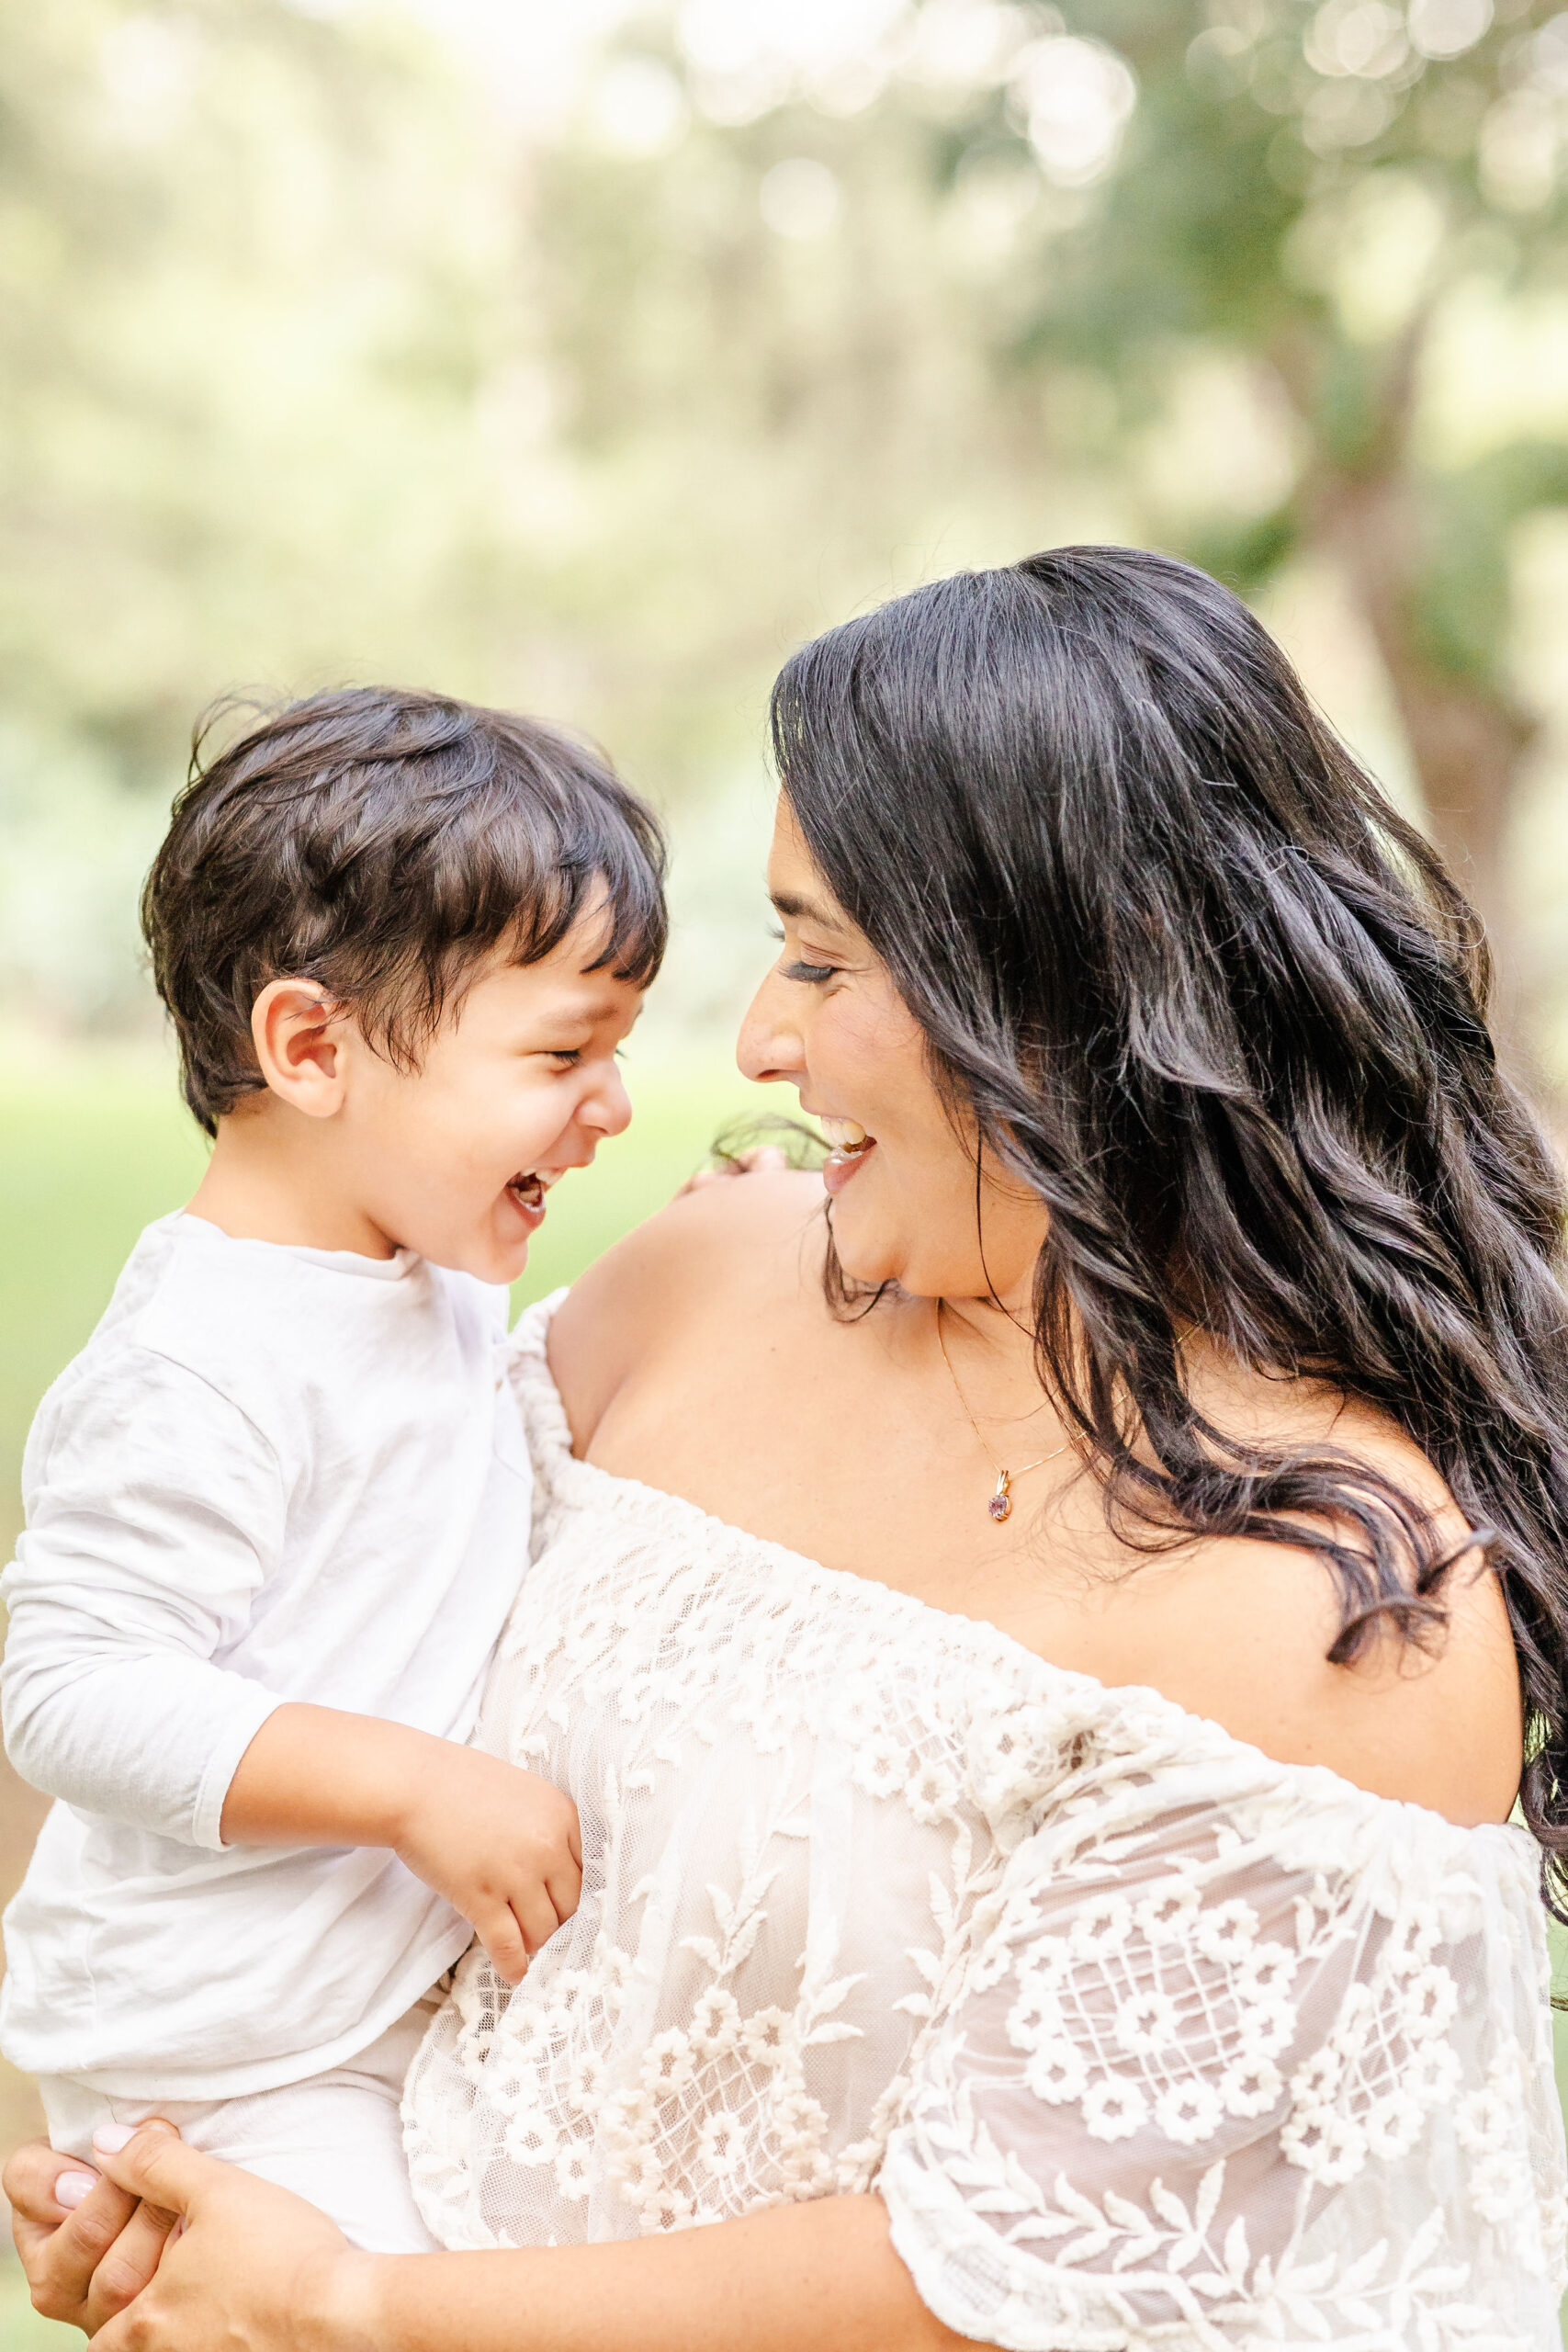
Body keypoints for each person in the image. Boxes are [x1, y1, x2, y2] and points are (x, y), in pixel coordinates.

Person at [10, 547, 1568, 2349]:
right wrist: (184, 2198)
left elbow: (1000, 2269)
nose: (754, 1035)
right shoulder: (708, 1268)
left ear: (1067, 991)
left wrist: (354, 2297)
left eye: (819, 958)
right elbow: (334, 1661)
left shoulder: (1339, 1604)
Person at [0, 686, 665, 2250]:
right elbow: (71, 1688)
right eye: (565, 1048)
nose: (615, 1106)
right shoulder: (201, 1360)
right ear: (310, 1046)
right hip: (228, 2056)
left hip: (354, 2002)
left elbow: (464, 1446)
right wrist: (409, 1787)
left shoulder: (421, 1273)